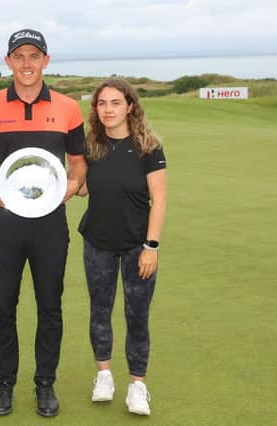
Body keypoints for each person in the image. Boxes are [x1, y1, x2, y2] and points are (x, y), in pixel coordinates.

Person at [0, 29, 87, 417]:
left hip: (49, 223)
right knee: (2, 305)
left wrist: (68, 190)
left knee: (49, 305)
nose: (26, 63)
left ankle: (45, 384)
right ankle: (4, 383)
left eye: (34, 56)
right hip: (5, 221)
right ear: (8, 62)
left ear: (46, 61)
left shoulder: (69, 107)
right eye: (19, 56)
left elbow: (77, 163)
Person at [77, 78, 167, 416]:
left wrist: (151, 246)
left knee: (137, 315)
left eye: (115, 103)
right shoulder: (92, 146)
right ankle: (104, 376)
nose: (108, 110)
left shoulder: (148, 147)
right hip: (97, 242)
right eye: (102, 103)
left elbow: (158, 200)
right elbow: (82, 189)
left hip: (136, 246)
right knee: (100, 311)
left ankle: (137, 386)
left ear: (130, 106)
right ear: (96, 108)